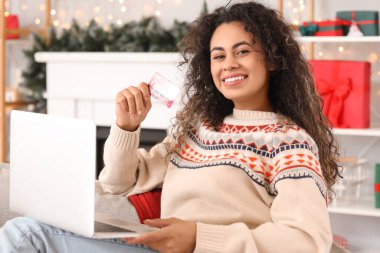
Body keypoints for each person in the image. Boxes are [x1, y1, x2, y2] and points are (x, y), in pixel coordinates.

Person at [0, 1, 340, 252]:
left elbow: (306, 241)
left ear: (271, 59)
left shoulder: (289, 143)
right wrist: (126, 128)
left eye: (242, 51)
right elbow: (117, 184)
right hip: (155, 246)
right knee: (25, 229)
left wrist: (198, 237)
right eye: (218, 56)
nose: (229, 64)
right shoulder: (198, 130)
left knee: (26, 236)